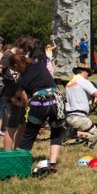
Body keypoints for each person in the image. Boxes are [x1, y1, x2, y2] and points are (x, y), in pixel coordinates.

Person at [9, 39, 66, 176]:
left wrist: (16, 102)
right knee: (56, 132)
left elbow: (26, 101)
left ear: (17, 66)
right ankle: (52, 163)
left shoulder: (22, 78)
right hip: (57, 102)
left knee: (30, 134)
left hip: (39, 103)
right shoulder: (41, 66)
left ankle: (21, 164)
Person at [0, 39, 24, 149]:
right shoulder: (7, 56)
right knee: (13, 125)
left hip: (20, 95)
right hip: (11, 96)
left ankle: (17, 150)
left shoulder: (16, 56)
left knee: (22, 124)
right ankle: (7, 154)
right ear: (18, 46)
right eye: (24, 50)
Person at [64, 65, 97, 138]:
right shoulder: (83, 81)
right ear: (84, 72)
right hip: (80, 118)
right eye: (88, 74)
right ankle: (75, 134)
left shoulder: (69, 83)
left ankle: (74, 132)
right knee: (95, 135)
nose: (88, 76)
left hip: (68, 118)